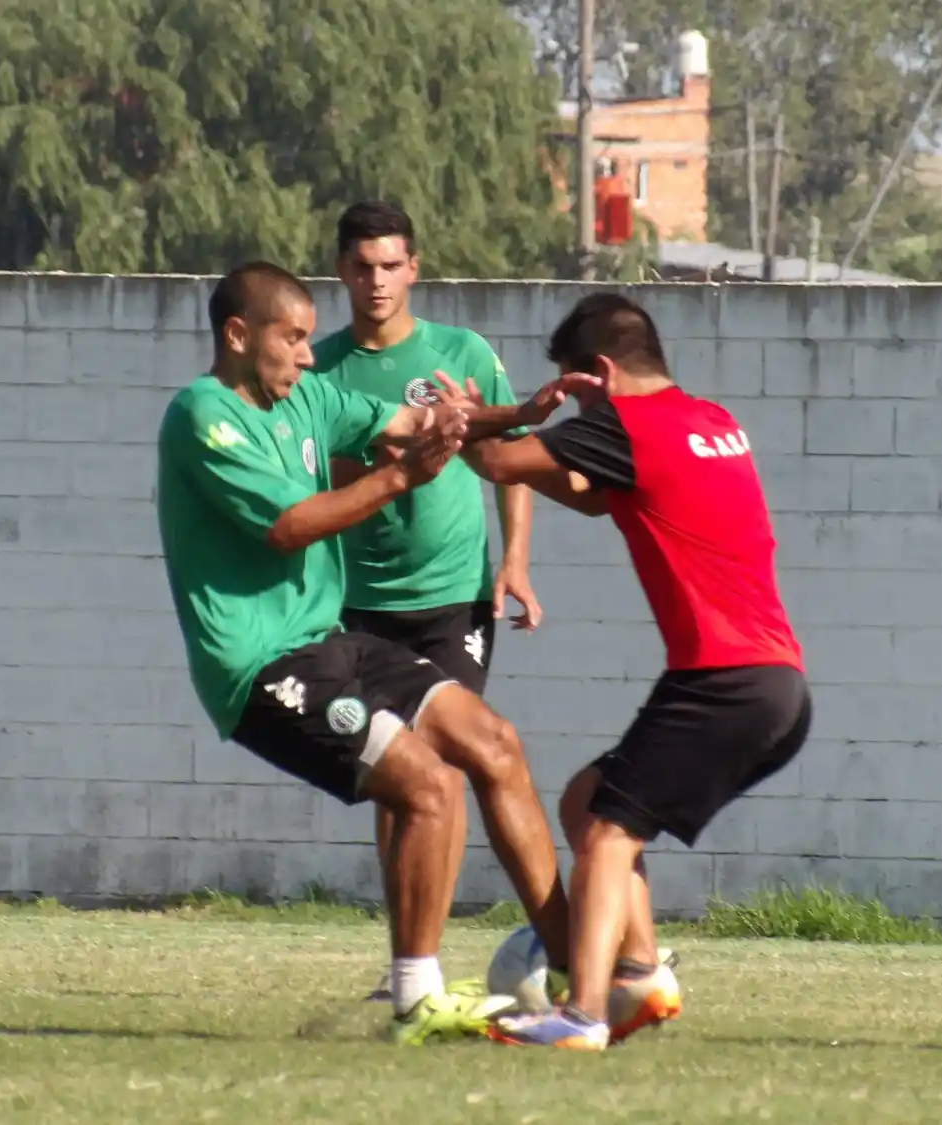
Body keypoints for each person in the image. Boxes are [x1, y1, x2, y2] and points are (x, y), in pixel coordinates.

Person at [154, 261, 580, 1045]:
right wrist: (398, 480)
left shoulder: (310, 397)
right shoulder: (202, 416)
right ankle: (417, 995)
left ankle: (579, 967)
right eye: (295, 339)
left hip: (331, 642)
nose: (311, 356)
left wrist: (514, 413)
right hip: (260, 667)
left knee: (494, 743)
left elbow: (411, 425)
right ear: (239, 336)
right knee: (426, 785)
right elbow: (288, 525)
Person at [448, 293, 813, 1052]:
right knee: (590, 803)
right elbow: (590, 499)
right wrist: (566, 431)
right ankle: (641, 974)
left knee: (609, 833)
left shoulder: (622, 424)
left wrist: (504, 413)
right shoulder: (710, 420)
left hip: (723, 678)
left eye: (573, 381)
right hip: (776, 683)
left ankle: (582, 1012)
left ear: (600, 372)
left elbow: (494, 460)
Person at [308, 201, 543, 999]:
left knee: (447, 757)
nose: (376, 280)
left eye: (390, 265)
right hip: (358, 601)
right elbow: (310, 480)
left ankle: (431, 962)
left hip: (451, 600)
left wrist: (514, 561)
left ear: (414, 267)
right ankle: (410, 958)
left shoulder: (459, 351)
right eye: (361, 265)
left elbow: (504, 460)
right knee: (400, 774)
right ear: (341, 269)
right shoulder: (319, 369)